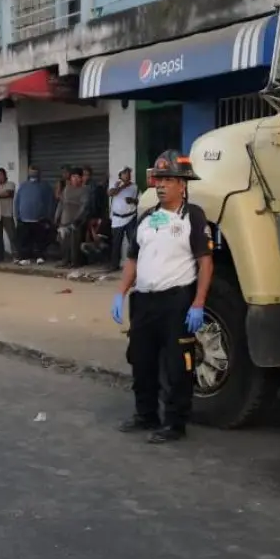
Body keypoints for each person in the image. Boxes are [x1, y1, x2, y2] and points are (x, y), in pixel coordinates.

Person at [110, 151, 213, 444]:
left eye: (168, 179)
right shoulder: (145, 218)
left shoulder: (193, 216)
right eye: (158, 179)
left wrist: (199, 302)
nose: (161, 184)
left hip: (176, 303)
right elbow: (133, 259)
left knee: (178, 367)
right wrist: (121, 292)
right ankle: (146, 415)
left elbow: (205, 262)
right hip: (143, 302)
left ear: (183, 185)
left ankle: (175, 423)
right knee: (141, 363)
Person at [13, 165, 54, 263]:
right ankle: (25, 257)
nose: (33, 174)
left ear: (39, 173)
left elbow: (49, 201)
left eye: (35, 172)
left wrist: (48, 216)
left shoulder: (44, 186)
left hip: (39, 218)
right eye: (31, 171)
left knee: (40, 239)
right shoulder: (23, 186)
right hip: (24, 218)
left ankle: (40, 256)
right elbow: (17, 201)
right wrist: (17, 215)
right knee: (25, 239)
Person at [54, 168, 90, 268]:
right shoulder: (67, 189)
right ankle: (65, 260)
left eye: (77, 177)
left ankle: (74, 262)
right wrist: (57, 216)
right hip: (64, 219)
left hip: (76, 221)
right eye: (73, 177)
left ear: (81, 178)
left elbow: (84, 207)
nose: (75, 179)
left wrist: (77, 219)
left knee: (74, 243)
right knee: (64, 242)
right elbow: (61, 203)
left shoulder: (84, 190)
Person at [106, 166, 138, 272]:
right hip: (117, 219)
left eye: (129, 173)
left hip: (130, 217)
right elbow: (110, 193)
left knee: (133, 242)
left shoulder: (134, 187)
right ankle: (114, 265)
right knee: (116, 243)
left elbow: (139, 201)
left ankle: (136, 266)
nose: (128, 175)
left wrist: (133, 200)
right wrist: (121, 187)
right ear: (120, 175)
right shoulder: (115, 184)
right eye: (125, 173)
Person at [0, 167, 17, 263]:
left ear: (5, 175)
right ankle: (0, 256)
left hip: (7, 214)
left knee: (12, 236)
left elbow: (8, 194)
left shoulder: (10, 184)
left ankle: (16, 256)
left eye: (0, 175)